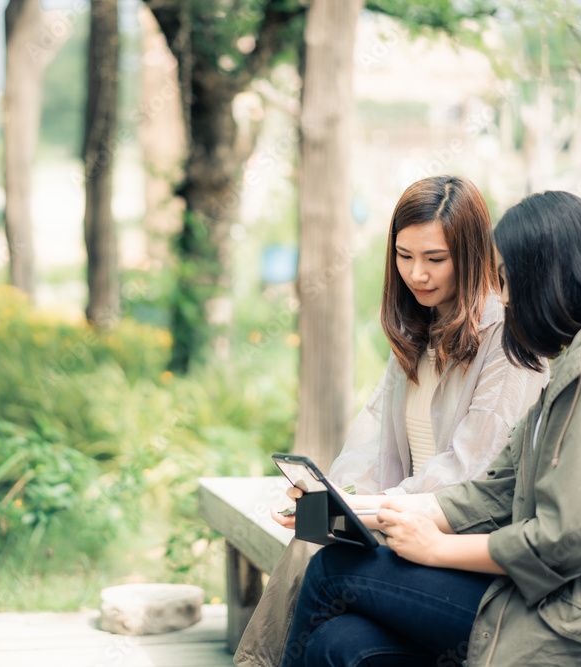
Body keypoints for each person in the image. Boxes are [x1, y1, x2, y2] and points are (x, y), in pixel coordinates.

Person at [281, 190, 581, 666]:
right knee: (340, 643)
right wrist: (344, 507)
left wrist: (435, 549)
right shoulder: (572, 368)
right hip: (550, 598)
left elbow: (562, 541)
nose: (505, 298)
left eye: (510, 281)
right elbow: (487, 496)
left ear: (548, 280)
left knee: (331, 571)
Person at [233, 175, 549, 667]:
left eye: (435, 259)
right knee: (335, 642)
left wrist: (367, 510)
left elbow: (469, 478)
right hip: (405, 539)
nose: (417, 274)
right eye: (404, 256)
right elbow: (371, 443)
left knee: (323, 562)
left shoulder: (509, 340)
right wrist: (334, 499)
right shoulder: (417, 329)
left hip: (468, 561)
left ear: (470, 256)